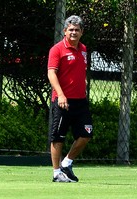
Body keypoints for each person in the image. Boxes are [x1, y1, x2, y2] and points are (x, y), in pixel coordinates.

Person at [47, 15, 93, 183]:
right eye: (71, 29)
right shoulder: (57, 49)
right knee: (58, 136)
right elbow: (51, 73)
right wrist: (60, 94)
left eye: (77, 30)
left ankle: (66, 163)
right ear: (65, 31)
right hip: (62, 100)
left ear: (82, 32)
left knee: (87, 133)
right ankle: (56, 172)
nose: (74, 32)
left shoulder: (83, 49)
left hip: (80, 101)